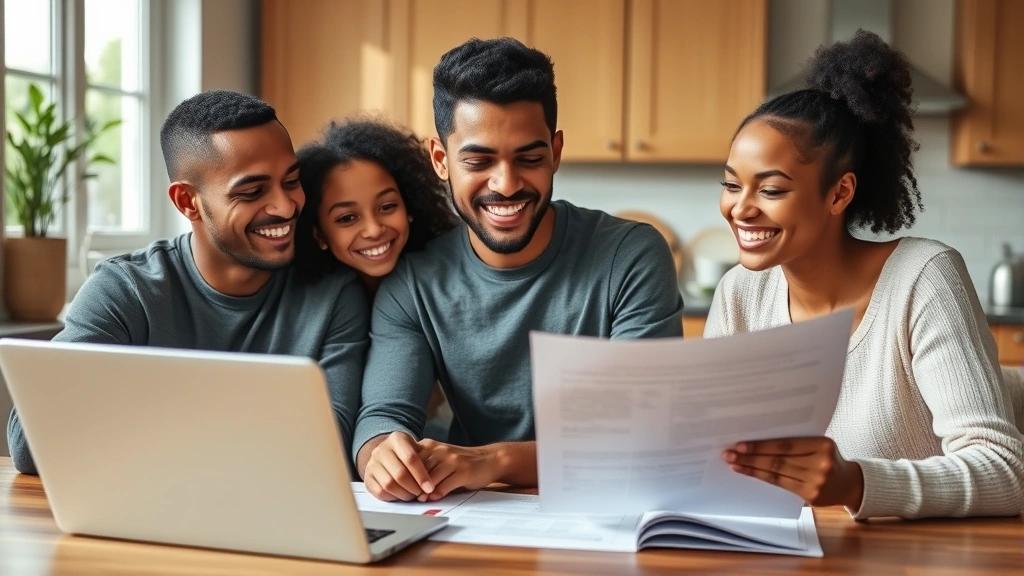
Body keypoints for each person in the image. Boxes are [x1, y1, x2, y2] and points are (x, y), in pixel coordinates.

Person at [707, 30, 1024, 519]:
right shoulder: (739, 294)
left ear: (839, 193)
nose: (740, 209)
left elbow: (1005, 470)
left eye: (770, 190)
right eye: (731, 184)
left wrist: (856, 483)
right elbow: (714, 454)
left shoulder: (923, 279)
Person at [353, 37, 684, 502]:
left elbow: (642, 432)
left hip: (605, 505)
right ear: (441, 160)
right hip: (473, 514)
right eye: (479, 161)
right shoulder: (413, 281)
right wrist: (382, 455)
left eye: (529, 158)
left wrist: (492, 461)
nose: (506, 185)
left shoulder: (629, 255)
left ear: (556, 151)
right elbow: (382, 416)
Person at [6, 90, 369, 475]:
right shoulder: (125, 290)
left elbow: (329, 442)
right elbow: (30, 445)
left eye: (291, 181)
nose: (285, 206)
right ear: (187, 202)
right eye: (252, 192)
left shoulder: (334, 292)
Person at [293, 115, 460, 438]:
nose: (372, 229)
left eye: (386, 207)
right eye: (347, 218)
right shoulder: (311, 302)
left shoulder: (437, 284)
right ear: (318, 233)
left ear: (409, 205)